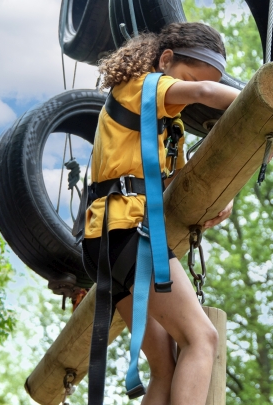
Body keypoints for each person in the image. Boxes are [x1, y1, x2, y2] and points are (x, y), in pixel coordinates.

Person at [80, 22, 240, 404]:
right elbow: (204, 91)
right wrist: (264, 105)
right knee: (202, 339)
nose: (189, 95)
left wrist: (219, 200)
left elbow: (177, 185)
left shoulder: (171, 127)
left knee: (165, 367)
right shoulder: (141, 87)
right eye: (185, 79)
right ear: (165, 60)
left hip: (106, 243)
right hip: (127, 231)